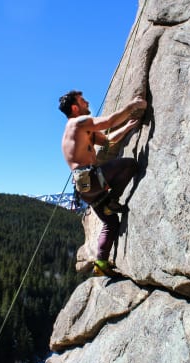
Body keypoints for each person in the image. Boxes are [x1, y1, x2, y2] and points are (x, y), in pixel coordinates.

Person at [59, 90, 147, 275]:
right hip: (91, 178)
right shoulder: (77, 122)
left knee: (111, 222)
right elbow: (107, 123)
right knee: (130, 165)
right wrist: (132, 106)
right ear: (75, 108)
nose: (87, 103)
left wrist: (128, 126)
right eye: (83, 101)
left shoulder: (79, 130)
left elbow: (108, 139)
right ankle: (112, 200)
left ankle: (101, 265)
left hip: (86, 189)